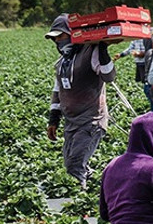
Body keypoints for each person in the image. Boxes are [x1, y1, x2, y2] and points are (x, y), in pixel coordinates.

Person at [45, 14, 115, 189]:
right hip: (71, 121)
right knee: (70, 162)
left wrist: (103, 50)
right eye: (54, 38)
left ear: (71, 34)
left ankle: (79, 205)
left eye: (60, 36)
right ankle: (100, 186)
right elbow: (58, 90)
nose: (57, 42)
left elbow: (109, 76)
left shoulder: (91, 52)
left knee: (74, 166)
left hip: (91, 121)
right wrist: (54, 119)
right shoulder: (62, 62)